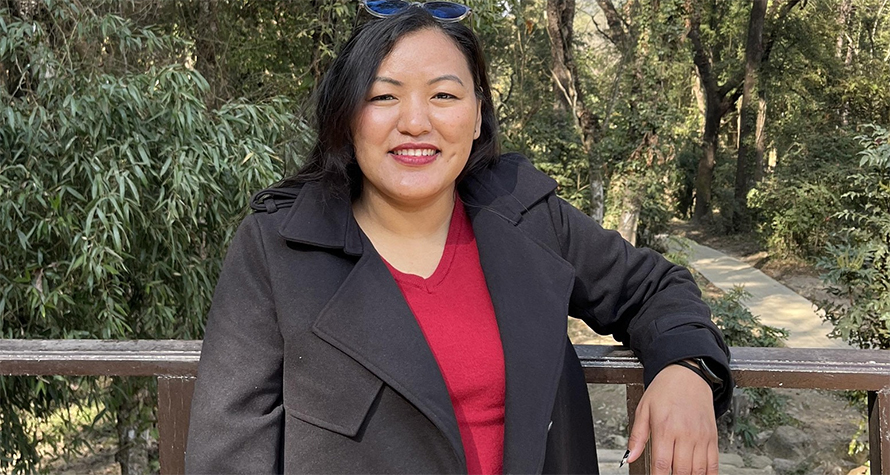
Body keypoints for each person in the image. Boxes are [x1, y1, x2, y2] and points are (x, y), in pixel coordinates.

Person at [184, 2, 732, 474]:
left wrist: (688, 369)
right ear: (348, 116)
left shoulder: (524, 214)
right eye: (383, 97)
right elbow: (229, 453)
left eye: (444, 95)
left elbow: (654, 289)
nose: (415, 122)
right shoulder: (280, 247)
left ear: (476, 117)